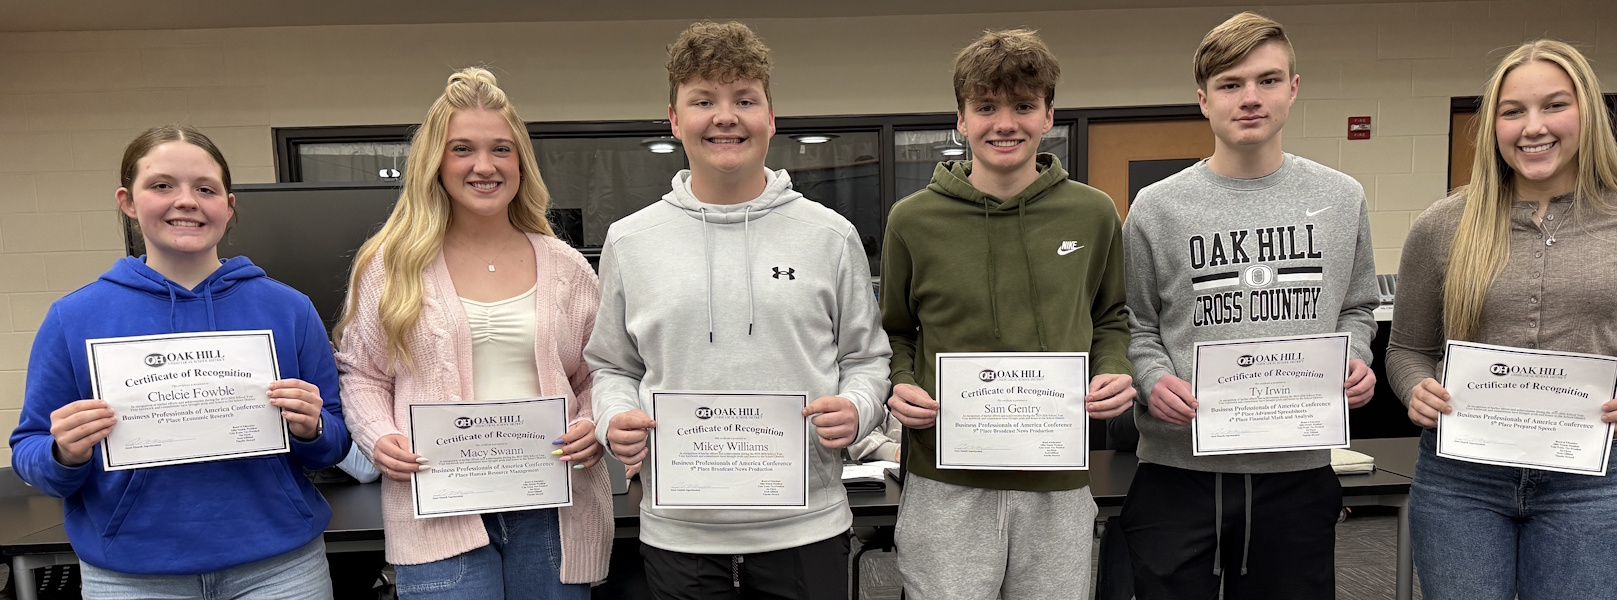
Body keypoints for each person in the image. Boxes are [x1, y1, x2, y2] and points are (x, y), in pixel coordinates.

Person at [588, 21, 891, 600]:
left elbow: (867, 358)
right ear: (675, 119)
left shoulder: (829, 235)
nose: (725, 117)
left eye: (744, 100)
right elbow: (611, 368)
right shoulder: (630, 242)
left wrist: (857, 408)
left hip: (806, 527)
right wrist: (613, 419)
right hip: (680, 532)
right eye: (703, 100)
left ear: (770, 118)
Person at [1387, 39, 1617, 600]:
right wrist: (1416, 389)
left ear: (1589, 113)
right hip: (1463, 481)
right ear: (1493, 126)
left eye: (1554, 105)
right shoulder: (1442, 225)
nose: (1533, 127)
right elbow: (1405, 349)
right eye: (1512, 111)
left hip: (1591, 483)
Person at [8, 125, 351, 598]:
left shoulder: (288, 309)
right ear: (128, 201)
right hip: (131, 576)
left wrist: (312, 427)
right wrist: (63, 452)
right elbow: (28, 451)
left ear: (228, 207)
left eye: (205, 189)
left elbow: (333, 444)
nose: (186, 201)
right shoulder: (74, 317)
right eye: (162, 185)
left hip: (280, 569)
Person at [1118, 12, 1381, 599]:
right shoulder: (1157, 207)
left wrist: (1356, 357)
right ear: (1203, 101)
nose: (1250, 98)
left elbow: (1358, 308)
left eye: (1267, 80)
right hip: (1179, 472)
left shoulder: (1341, 198)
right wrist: (1153, 378)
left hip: (1297, 471)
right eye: (1230, 84)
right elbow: (1134, 325)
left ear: (1293, 88)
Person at [334, 67, 613, 599]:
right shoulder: (390, 266)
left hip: (553, 512)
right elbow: (362, 372)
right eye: (462, 148)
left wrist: (591, 421)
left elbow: (601, 371)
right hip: (440, 513)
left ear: (521, 163)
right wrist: (378, 436)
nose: (484, 166)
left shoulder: (568, 266)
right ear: (436, 163)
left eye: (501, 150)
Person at [880, 29, 1137, 599]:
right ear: (961, 119)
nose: (1005, 123)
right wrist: (898, 384)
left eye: (1023, 106)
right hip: (945, 479)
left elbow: (1113, 316)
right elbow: (894, 331)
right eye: (986, 107)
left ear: (1048, 116)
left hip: (1057, 478)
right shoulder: (912, 220)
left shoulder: (1093, 214)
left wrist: (1115, 368)